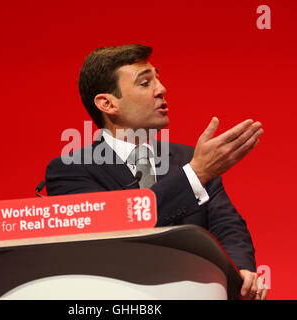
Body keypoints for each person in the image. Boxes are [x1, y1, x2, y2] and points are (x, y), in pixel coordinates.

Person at [45, 44, 267, 300]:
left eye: (158, 79)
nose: (162, 89)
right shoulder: (70, 170)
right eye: (145, 83)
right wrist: (195, 174)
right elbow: (115, 232)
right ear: (107, 103)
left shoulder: (190, 158)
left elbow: (227, 225)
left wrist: (240, 270)